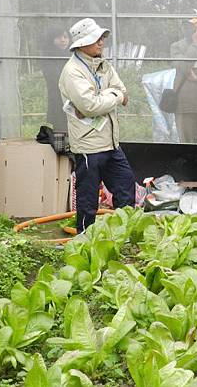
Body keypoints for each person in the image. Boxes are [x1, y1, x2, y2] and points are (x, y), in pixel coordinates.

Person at [59, 18, 135, 233]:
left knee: (126, 184)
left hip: (111, 143)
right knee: (88, 196)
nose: (101, 42)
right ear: (81, 44)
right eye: (96, 39)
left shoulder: (104, 64)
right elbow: (90, 106)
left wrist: (109, 95)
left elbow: (123, 91)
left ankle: (124, 233)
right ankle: (85, 238)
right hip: (88, 145)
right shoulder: (73, 71)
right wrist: (114, 96)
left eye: (102, 38)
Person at [170, 11, 197, 143]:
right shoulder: (176, 46)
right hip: (184, 106)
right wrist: (195, 44)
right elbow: (184, 67)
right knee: (187, 148)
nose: (190, 28)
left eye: (194, 24)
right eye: (186, 25)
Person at [40, 25, 70, 131]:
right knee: (60, 128)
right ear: (52, 39)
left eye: (65, 37)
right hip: (57, 97)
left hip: (73, 98)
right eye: (59, 37)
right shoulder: (48, 56)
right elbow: (53, 78)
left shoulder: (72, 55)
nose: (63, 40)